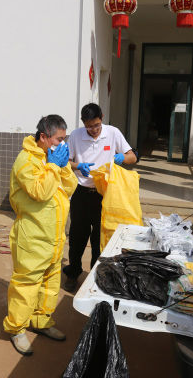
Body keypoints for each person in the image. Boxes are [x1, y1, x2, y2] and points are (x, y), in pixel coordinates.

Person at [3, 115, 78, 356]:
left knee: (49, 283)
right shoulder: (26, 160)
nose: (62, 144)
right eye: (58, 139)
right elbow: (40, 191)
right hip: (33, 236)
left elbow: (70, 187)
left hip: (53, 237)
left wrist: (62, 166)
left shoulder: (51, 157)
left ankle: (40, 320)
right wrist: (53, 167)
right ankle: (17, 328)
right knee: (26, 286)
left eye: (64, 139)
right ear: (44, 137)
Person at [62, 103, 137, 292]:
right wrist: (78, 166)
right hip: (81, 192)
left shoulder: (113, 133)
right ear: (83, 123)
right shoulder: (76, 135)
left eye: (96, 125)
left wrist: (122, 158)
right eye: (89, 126)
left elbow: (132, 157)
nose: (94, 130)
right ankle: (73, 273)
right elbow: (66, 162)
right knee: (77, 237)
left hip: (105, 193)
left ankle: (96, 277)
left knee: (100, 238)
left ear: (102, 118)